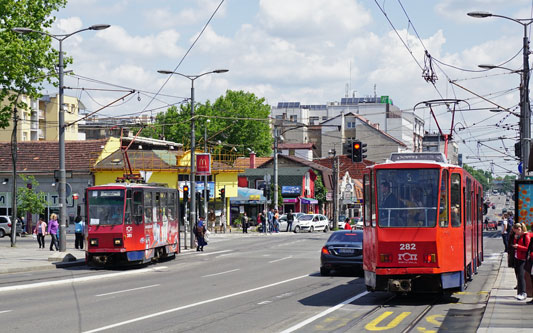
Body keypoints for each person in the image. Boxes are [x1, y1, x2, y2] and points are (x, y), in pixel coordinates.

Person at [511, 223, 530, 301]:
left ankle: (523, 292)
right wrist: (516, 239)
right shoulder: (520, 236)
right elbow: (516, 243)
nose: (515, 233)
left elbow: (527, 248)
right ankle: (520, 292)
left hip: (523, 259)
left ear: (519, 229)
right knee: (519, 276)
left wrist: (518, 247)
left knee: (522, 276)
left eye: (515, 231)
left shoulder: (526, 236)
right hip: (518, 257)